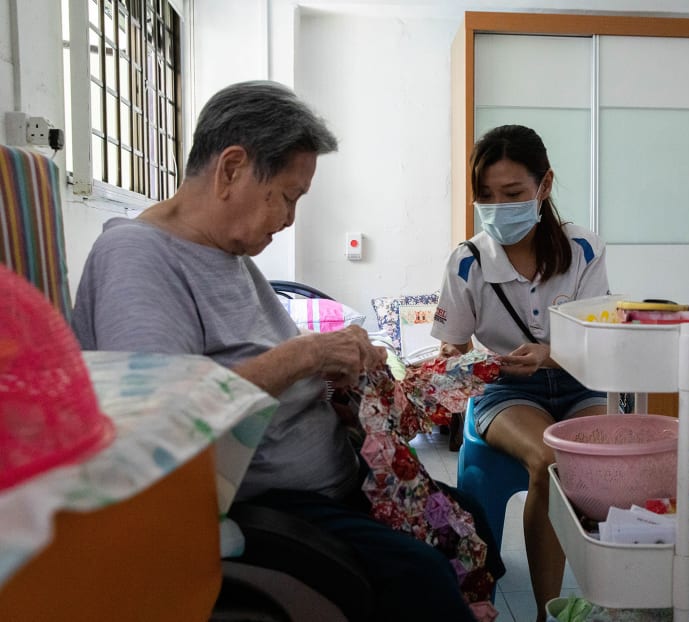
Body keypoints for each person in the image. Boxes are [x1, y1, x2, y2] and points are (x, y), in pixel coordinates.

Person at [71, 80, 503, 622]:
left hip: (332, 477)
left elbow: (258, 366)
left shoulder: (229, 255)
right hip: (264, 503)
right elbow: (161, 420)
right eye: (288, 196)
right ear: (231, 169)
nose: (291, 218)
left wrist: (340, 381)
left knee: (470, 520)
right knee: (423, 577)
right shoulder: (137, 259)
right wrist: (309, 356)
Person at [431, 124, 610, 622]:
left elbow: (598, 339)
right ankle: (546, 613)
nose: (497, 208)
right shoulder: (467, 261)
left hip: (580, 382)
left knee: (608, 462)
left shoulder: (583, 249)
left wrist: (548, 355)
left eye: (512, 195)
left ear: (544, 185)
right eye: (485, 196)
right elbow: (453, 346)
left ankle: (617, 592)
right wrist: (453, 356)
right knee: (552, 462)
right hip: (506, 390)